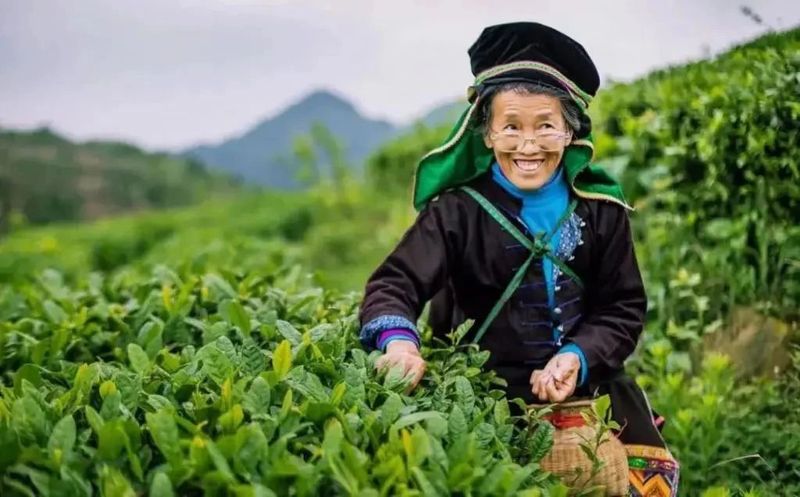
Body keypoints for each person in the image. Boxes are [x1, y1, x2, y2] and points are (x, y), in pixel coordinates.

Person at [358, 22, 679, 495]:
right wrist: (399, 344)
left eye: (545, 126)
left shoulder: (601, 211)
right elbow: (395, 284)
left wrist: (576, 357)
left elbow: (621, 307)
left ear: (570, 132)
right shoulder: (456, 213)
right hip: (485, 400)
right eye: (510, 126)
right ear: (486, 133)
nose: (528, 146)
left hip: (591, 395)